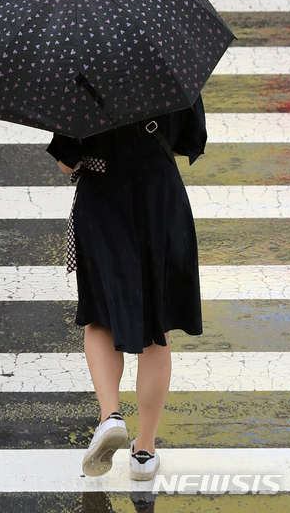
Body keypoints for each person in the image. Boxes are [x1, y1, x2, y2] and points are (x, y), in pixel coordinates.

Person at [47, 98, 206, 481]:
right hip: (161, 199)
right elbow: (191, 141)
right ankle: (145, 452)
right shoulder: (170, 65)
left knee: (100, 318)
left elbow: (66, 161)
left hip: (104, 201)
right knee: (157, 328)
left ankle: (110, 416)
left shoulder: (82, 75)